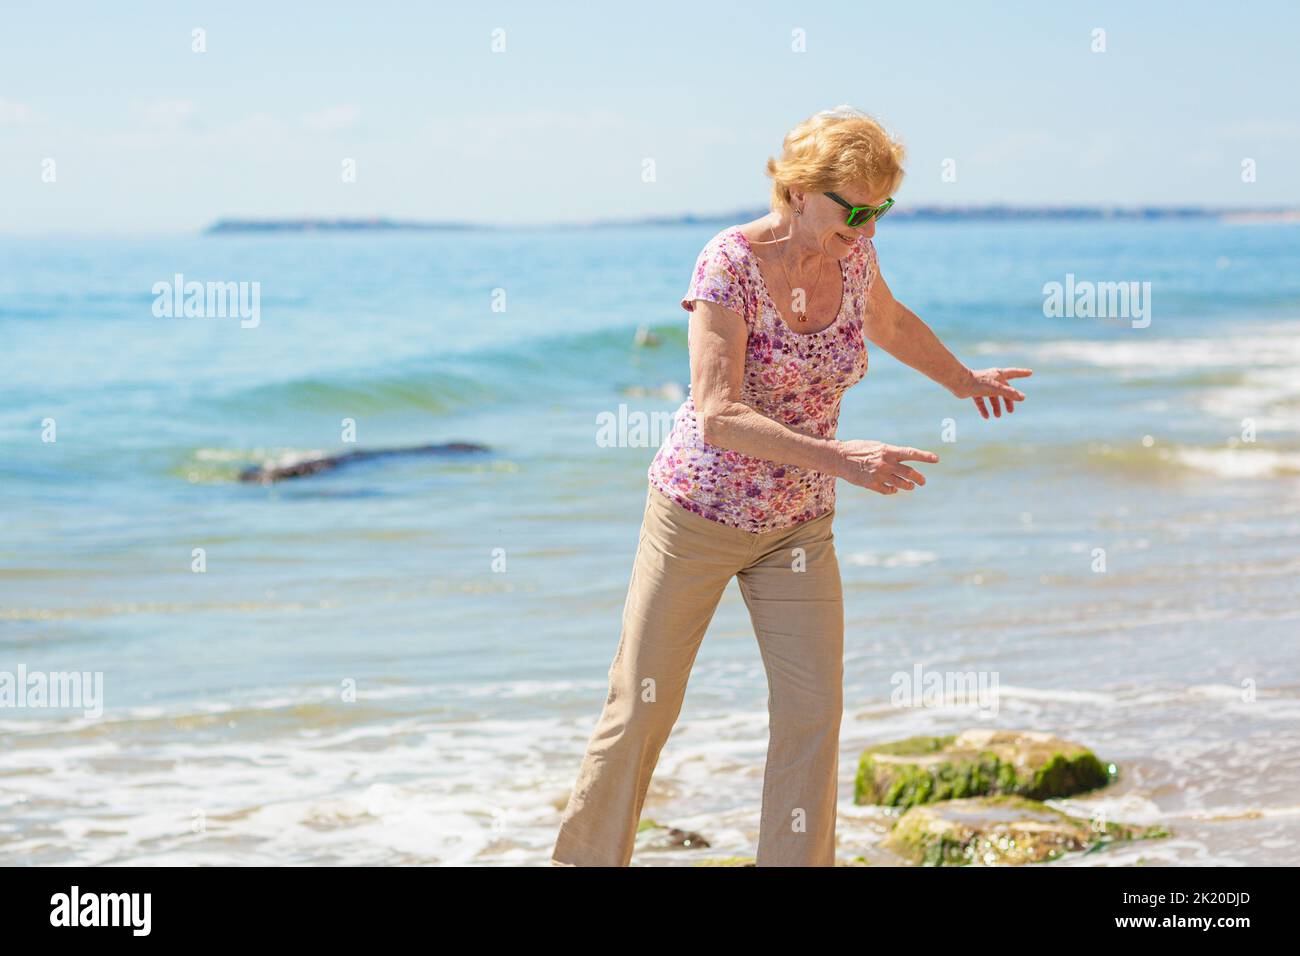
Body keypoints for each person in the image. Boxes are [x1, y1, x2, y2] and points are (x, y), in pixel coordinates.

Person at [552, 105, 1032, 866]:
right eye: (858, 211)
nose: (871, 228)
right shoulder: (728, 264)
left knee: (812, 714)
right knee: (642, 708)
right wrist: (844, 458)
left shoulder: (853, 258)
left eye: (884, 210)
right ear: (801, 191)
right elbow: (718, 414)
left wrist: (963, 379)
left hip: (798, 526)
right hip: (697, 516)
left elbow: (893, 323)